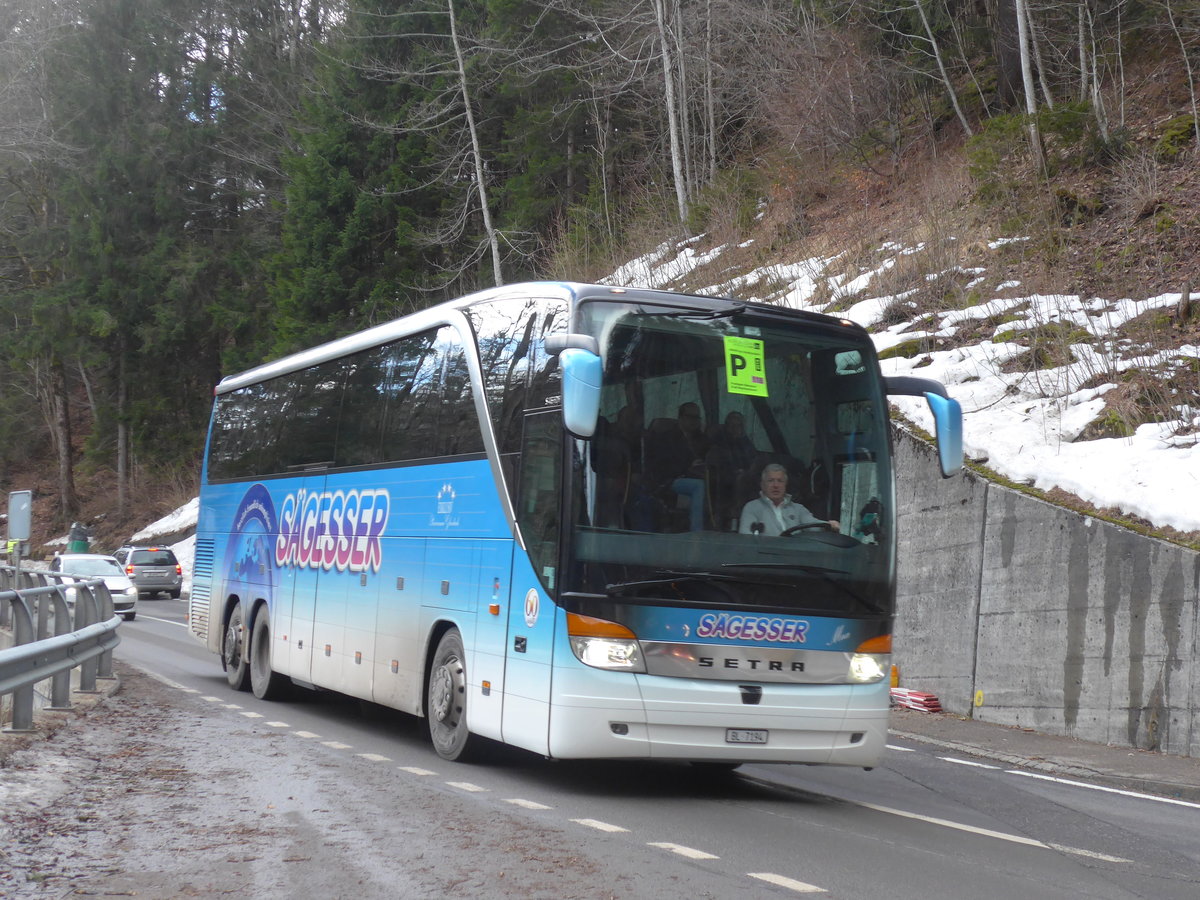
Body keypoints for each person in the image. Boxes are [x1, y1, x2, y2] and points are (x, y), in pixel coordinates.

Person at [739, 463, 839, 536]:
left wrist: (829, 525)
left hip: (794, 560)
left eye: (780, 481)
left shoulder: (798, 509)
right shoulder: (752, 508)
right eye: (770, 481)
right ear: (762, 485)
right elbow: (746, 540)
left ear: (785, 485)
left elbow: (814, 525)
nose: (775, 485)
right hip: (766, 560)